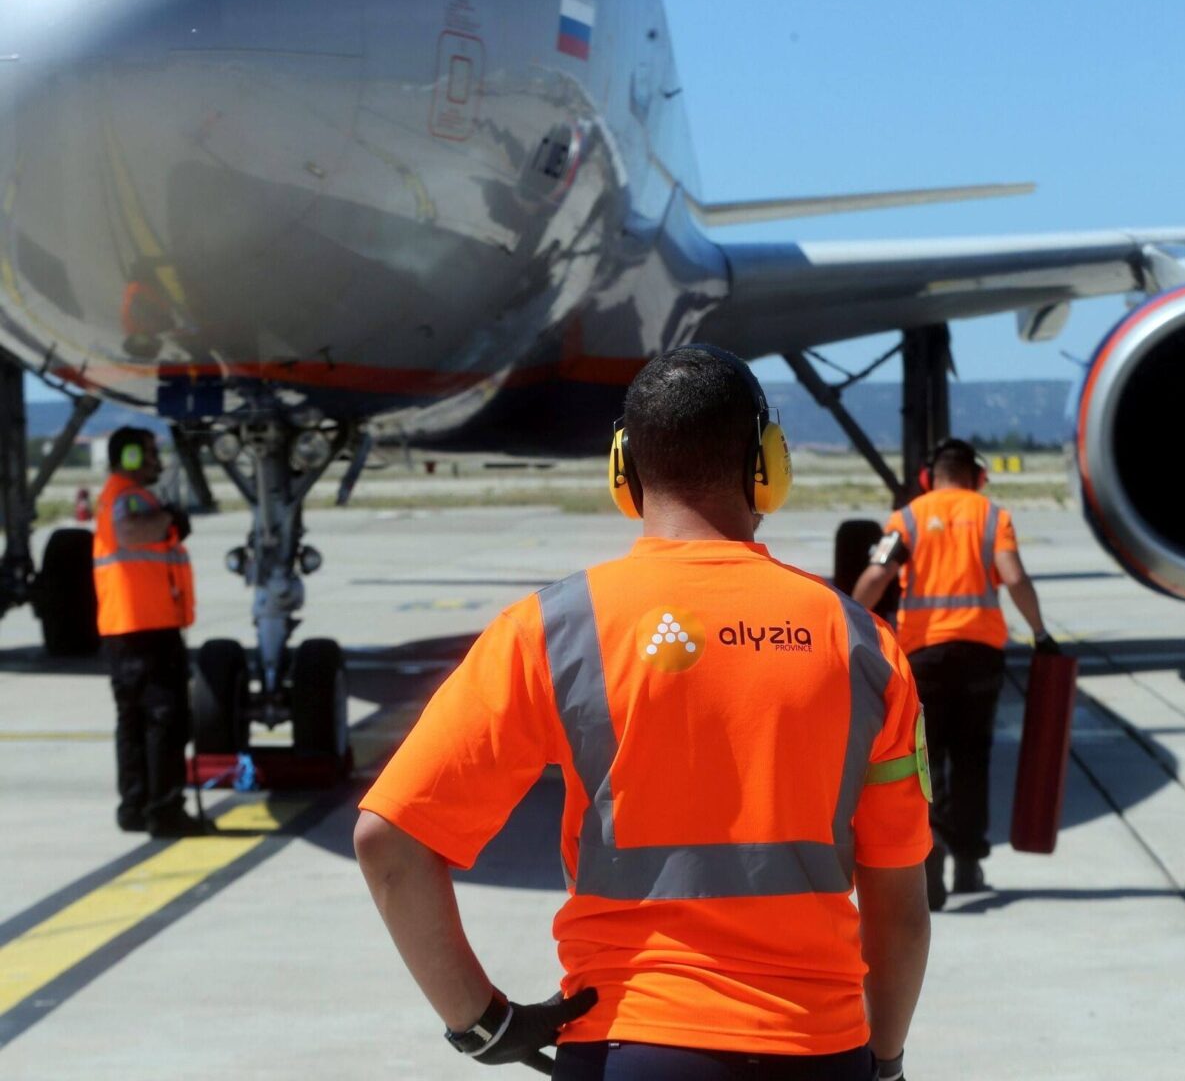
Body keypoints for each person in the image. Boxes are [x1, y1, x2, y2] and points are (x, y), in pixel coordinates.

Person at [356, 346, 931, 1081]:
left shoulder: (553, 628)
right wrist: (885, 1062)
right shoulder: (864, 645)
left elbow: (390, 845)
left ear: (622, 469)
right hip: (816, 1047)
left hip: (627, 1043)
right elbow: (899, 908)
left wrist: (481, 1022)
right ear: (768, 463)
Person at [851, 437, 1058, 910]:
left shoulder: (907, 518)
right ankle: (969, 861)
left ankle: (933, 852)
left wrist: (847, 624)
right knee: (973, 759)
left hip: (923, 657)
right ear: (977, 476)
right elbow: (1014, 576)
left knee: (927, 761)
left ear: (929, 477)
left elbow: (877, 576)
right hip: (980, 656)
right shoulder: (992, 516)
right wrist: (1040, 631)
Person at [94, 426, 202, 837]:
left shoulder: (116, 495)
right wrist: (171, 519)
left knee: (134, 722)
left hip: (125, 627)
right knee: (164, 720)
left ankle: (135, 805)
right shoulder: (129, 497)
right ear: (132, 457)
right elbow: (132, 531)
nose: (157, 461)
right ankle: (165, 810)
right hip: (147, 628)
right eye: (151, 453)